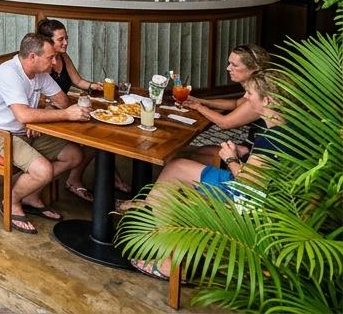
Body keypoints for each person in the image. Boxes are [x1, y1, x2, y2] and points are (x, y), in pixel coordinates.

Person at [120, 73, 284, 280]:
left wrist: (231, 159)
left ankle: (168, 262)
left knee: (176, 171)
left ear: (267, 100)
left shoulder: (270, 141)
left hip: (251, 206)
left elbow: (247, 193)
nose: (247, 98)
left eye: (250, 94)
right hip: (275, 198)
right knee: (177, 165)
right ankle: (151, 211)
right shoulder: (290, 130)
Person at [0, 33, 90, 234]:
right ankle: (11, 201)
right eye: (50, 58)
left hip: (21, 130)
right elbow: (25, 114)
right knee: (43, 171)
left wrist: (40, 114)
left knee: (74, 155)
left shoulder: (39, 73)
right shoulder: (9, 74)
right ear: (32, 57)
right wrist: (62, 115)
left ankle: (31, 194)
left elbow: (63, 102)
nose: (55, 62)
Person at [34, 18, 129, 200]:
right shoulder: (44, 65)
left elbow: (77, 81)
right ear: (47, 42)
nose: (66, 42)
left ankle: (108, 178)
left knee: (102, 132)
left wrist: (94, 86)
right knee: (96, 138)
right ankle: (75, 180)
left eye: (66, 38)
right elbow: (39, 102)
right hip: (52, 116)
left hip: (66, 109)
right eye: (61, 39)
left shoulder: (63, 57)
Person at [182, 44, 271, 165]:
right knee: (202, 150)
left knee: (195, 157)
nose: (228, 68)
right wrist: (201, 101)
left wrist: (198, 107)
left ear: (254, 68)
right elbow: (236, 104)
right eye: (229, 63)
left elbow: (225, 123)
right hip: (252, 142)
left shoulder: (260, 95)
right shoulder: (257, 86)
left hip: (258, 154)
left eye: (234, 65)